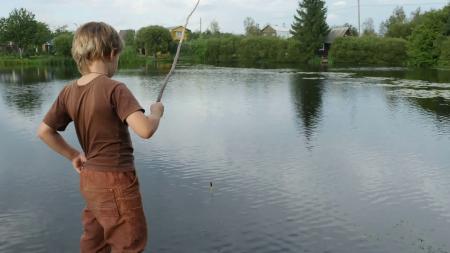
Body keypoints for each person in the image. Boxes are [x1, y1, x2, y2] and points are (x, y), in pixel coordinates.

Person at [37, 21, 164, 252]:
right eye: (118, 58)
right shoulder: (115, 88)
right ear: (112, 53)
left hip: (90, 178)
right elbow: (145, 130)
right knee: (129, 242)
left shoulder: (69, 91)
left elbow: (44, 131)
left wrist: (73, 154)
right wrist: (156, 114)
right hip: (116, 179)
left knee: (96, 241)